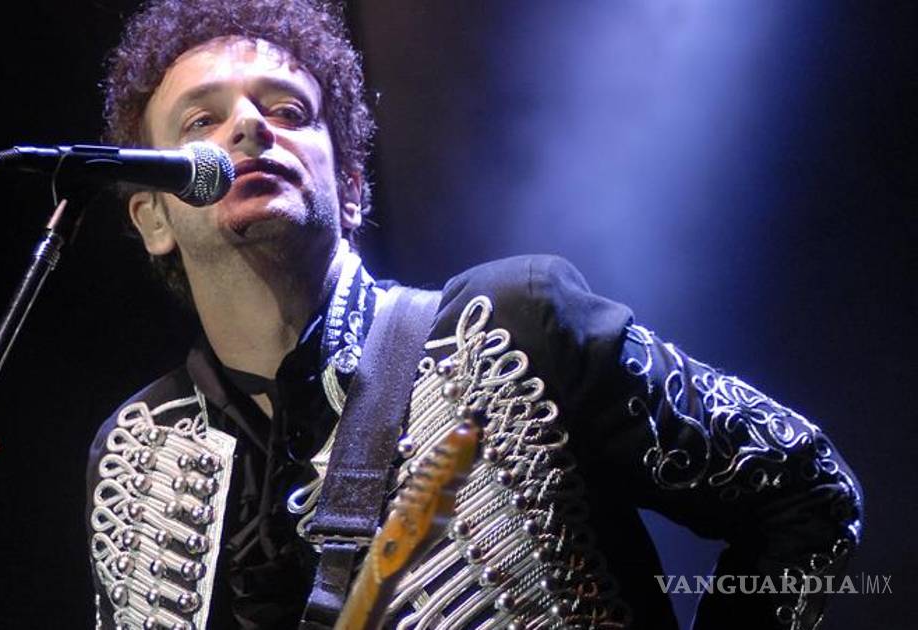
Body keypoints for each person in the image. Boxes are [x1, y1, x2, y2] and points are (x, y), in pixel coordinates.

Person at [84, 2, 863, 629]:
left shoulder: (515, 325)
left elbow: (807, 489)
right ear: (152, 218)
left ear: (350, 187)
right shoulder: (135, 450)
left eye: (289, 109)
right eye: (200, 122)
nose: (250, 127)